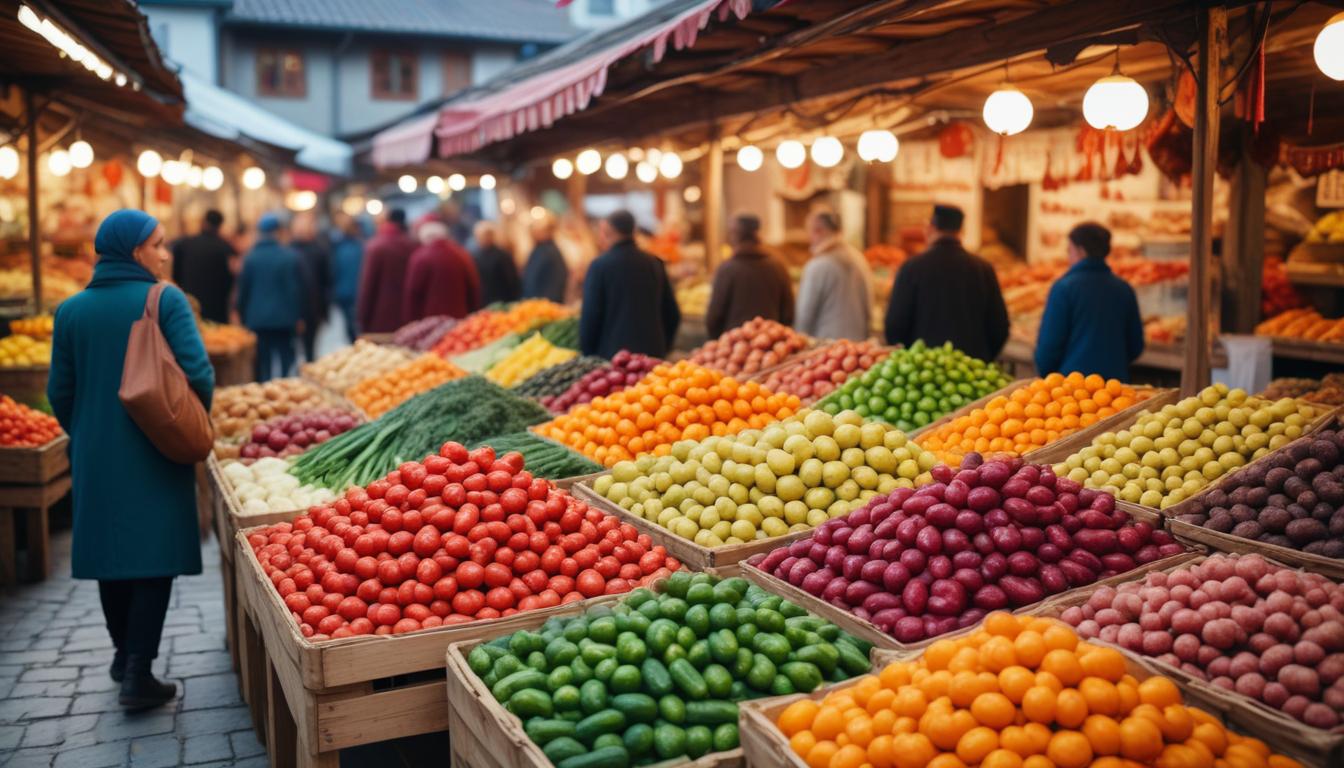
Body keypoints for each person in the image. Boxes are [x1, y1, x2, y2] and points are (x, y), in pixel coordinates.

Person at [47, 209, 214, 710]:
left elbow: (59, 390)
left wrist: (89, 431)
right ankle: (138, 673)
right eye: (158, 244)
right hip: (155, 447)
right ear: (135, 250)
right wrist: (190, 421)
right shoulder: (164, 299)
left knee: (111, 556)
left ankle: (124, 657)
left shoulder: (70, 310)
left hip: (95, 450)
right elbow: (198, 372)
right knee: (154, 557)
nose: (165, 254)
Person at [884, 204, 1010, 361]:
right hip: (972, 371)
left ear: (930, 228)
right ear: (961, 231)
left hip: (923, 369)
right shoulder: (983, 269)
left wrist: (910, 359)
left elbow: (895, 325)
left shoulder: (912, 268)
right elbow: (1000, 327)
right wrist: (981, 359)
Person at [1034, 222, 1145, 381]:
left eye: (1069, 250)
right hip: (1115, 389)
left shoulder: (1064, 288)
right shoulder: (1124, 289)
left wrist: (1048, 375)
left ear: (1081, 251)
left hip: (1072, 389)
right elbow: (1136, 345)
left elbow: (1049, 347)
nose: (1068, 256)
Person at [580, 210, 680, 358]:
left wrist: (588, 353)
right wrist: (665, 346)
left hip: (614, 357)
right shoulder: (654, 263)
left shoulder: (600, 266)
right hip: (652, 354)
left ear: (608, 231)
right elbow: (672, 313)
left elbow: (591, 316)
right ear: (633, 231)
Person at [237, 213, 305, 381]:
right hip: (284, 319)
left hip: (257, 319)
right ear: (278, 231)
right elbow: (294, 290)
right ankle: (284, 390)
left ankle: (265, 396)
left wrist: (241, 314)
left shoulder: (250, 257)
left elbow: (243, 290)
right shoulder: (289, 256)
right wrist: (299, 317)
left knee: (262, 363)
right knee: (286, 359)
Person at [705, 213, 794, 338]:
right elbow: (788, 313)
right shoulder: (778, 266)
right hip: (770, 344)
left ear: (736, 235)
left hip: (734, 346)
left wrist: (722, 343)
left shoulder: (727, 269)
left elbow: (714, 318)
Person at [795, 211, 873, 341]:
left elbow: (804, 316)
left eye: (809, 231)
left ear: (819, 230)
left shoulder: (817, 266)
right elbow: (868, 304)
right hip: (858, 345)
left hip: (828, 348)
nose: (808, 237)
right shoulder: (858, 258)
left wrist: (798, 342)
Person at [403, 221, 481, 322]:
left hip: (429, 319)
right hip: (459, 316)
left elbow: (413, 293)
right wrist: (473, 311)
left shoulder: (420, 257)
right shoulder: (461, 254)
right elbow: (473, 286)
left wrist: (411, 320)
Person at [357, 208, 417, 334]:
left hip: (381, 316)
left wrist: (362, 318)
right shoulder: (413, 244)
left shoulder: (376, 247)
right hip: (410, 315)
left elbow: (368, 286)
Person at [170, 209, 236, 324]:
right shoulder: (226, 248)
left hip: (189, 304)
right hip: (217, 308)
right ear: (220, 225)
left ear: (203, 222)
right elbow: (230, 280)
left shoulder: (184, 244)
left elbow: (176, 274)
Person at [290, 211, 331, 362]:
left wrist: (324, 309)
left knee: (310, 346)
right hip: (295, 307)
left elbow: (326, 281)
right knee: (295, 347)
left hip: (313, 307)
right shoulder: (289, 251)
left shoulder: (319, 251)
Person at [330, 212, 364, 343]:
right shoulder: (339, 246)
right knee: (352, 326)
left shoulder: (358, 246)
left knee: (352, 326)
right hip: (347, 292)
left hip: (349, 292)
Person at [521, 215, 569, 303]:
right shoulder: (538, 249)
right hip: (533, 301)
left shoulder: (551, 252)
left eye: (538, 231)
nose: (534, 233)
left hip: (544, 303)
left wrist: (547, 303)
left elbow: (557, 281)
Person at [472, 221, 521, 306]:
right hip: (484, 300)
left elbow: (511, 281)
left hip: (502, 300)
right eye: (480, 236)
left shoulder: (502, 255)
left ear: (492, 236)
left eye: (487, 235)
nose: (483, 238)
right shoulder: (474, 255)